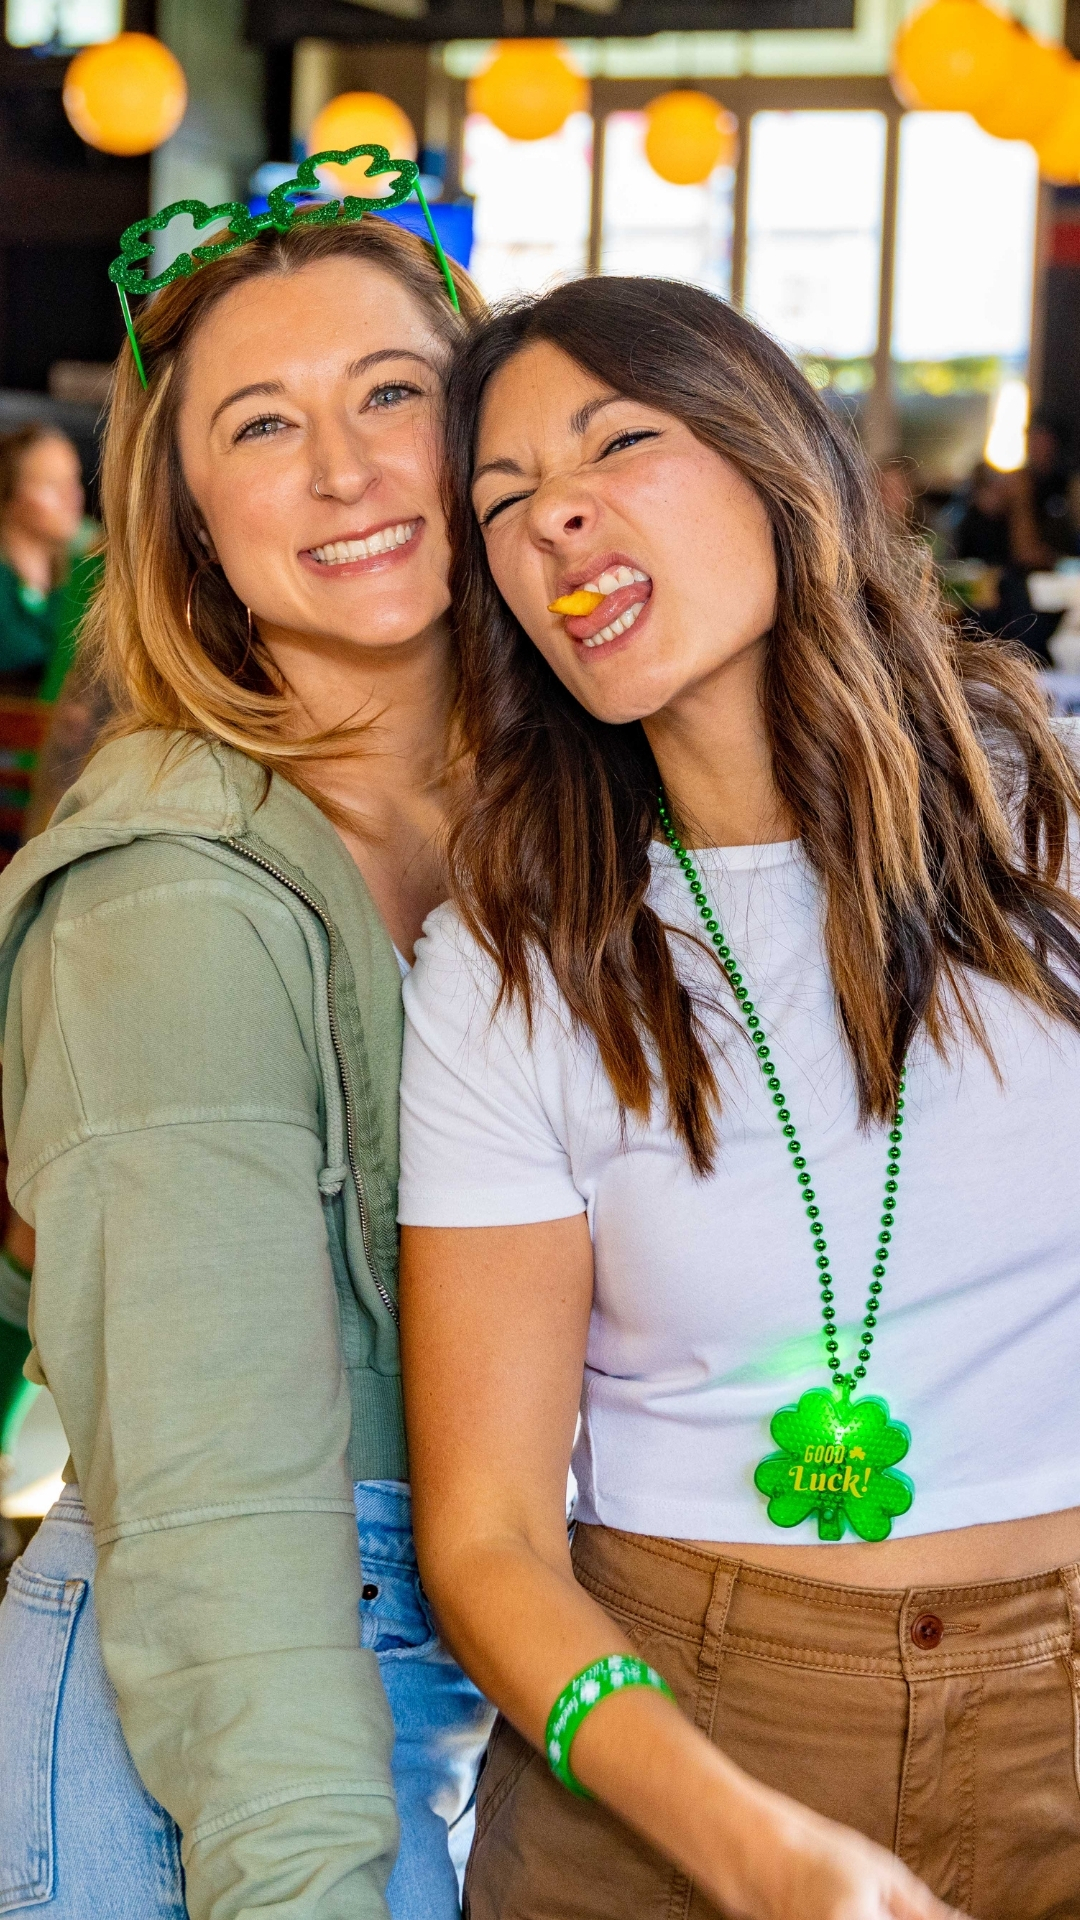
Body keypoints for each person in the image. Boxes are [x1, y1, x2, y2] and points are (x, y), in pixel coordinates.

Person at [397, 277, 1080, 1920]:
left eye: (617, 442)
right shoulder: (515, 960)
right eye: (503, 500)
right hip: (671, 1742)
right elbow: (488, 1540)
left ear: (779, 460)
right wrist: (747, 1844)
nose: (554, 515)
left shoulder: (1049, 839)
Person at [0, 214, 491, 1920]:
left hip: (455, 1666)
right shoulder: (170, 897)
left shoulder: (548, 830)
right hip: (225, 1727)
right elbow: (215, 1503)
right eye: (263, 424)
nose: (346, 469)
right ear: (192, 523)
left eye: (392, 393)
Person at [0, 425, 88, 692]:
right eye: (51, 484)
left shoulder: (85, 576)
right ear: (10, 493)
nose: (72, 497)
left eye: (73, 481)